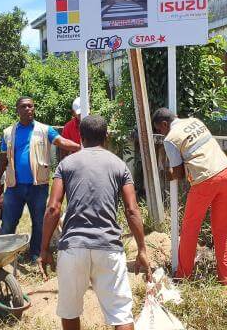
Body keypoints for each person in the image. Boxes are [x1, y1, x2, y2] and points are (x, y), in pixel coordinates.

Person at [39, 115, 151, 330]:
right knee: (121, 315)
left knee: (70, 312)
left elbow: (53, 208)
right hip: (108, 248)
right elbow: (132, 210)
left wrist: (44, 249)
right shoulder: (119, 166)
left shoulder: (66, 164)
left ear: (80, 137)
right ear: (106, 136)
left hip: (73, 249)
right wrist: (142, 250)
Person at [152, 107, 227, 285]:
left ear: (165, 124)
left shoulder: (170, 139)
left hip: (206, 180)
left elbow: (179, 173)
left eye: (159, 129)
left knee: (190, 230)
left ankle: (183, 276)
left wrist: (168, 174)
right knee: (222, 230)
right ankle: (225, 279)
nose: (160, 133)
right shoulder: (195, 122)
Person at [0, 96, 80, 262]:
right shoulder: (8, 132)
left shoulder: (45, 130)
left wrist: (79, 147)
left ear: (34, 108)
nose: (28, 109)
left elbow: (61, 141)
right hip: (14, 186)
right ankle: (4, 257)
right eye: (24, 107)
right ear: (17, 110)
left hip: (38, 186)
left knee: (39, 222)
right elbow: (2, 158)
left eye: (30, 106)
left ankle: (36, 254)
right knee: (8, 222)